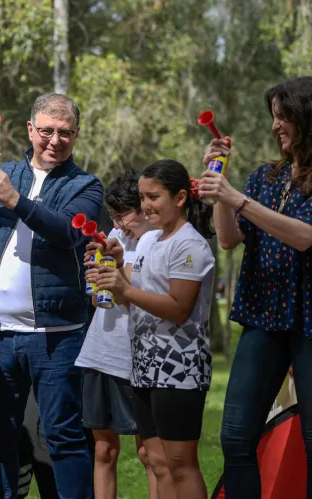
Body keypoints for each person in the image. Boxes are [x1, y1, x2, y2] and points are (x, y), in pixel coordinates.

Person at [198, 76, 312, 499]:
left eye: (282, 116)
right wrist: (219, 186)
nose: (275, 127)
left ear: (310, 117)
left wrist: (237, 199)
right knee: (235, 437)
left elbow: (306, 236)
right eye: (273, 118)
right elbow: (230, 238)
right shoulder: (266, 176)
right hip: (264, 314)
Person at [0, 93, 102, 498]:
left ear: (76, 135)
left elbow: (68, 233)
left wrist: (14, 200)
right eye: (46, 131)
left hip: (58, 335)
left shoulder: (86, 185)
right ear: (30, 130)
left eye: (65, 133)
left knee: (64, 437)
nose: (55, 140)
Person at [94, 160, 215, 499]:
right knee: (157, 460)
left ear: (179, 198)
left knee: (181, 462)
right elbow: (138, 292)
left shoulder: (190, 245)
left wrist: (124, 288)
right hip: (145, 364)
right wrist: (115, 267)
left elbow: (178, 308)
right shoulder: (149, 241)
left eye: (153, 197)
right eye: (142, 197)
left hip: (181, 367)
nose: (145, 205)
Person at [76, 170, 159, 499]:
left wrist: (118, 271)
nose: (119, 223)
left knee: (149, 454)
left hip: (137, 358)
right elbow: (100, 300)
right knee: (103, 451)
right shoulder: (114, 236)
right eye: (113, 216)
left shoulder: (161, 240)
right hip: (101, 351)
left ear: (142, 207)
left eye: (122, 215)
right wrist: (95, 277)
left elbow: (145, 298)